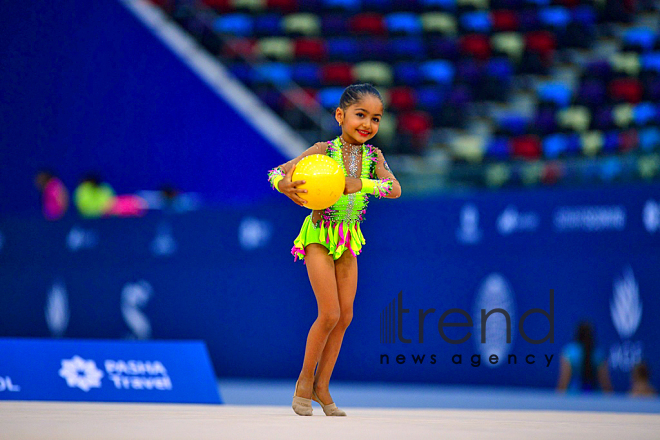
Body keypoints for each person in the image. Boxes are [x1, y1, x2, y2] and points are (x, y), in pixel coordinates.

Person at [267, 84, 401, 416]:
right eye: (360, 115)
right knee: (328, 314)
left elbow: (394, 189)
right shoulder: (323, 150)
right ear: (340, 116)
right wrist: (284, 185)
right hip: (318, 236)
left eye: (376, 118)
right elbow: (277, 172)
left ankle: (322, 388)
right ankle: (303, 382)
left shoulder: (374, 157)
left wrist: (363, 183)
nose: (368, 124)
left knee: (345, 316)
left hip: (348, 238)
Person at [557, 321, 613, 393]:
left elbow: (563, 382)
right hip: (596, 399)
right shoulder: (598, 353)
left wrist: (558, 400)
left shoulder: (569, 352)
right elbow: (605, 384)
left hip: (573, 398)